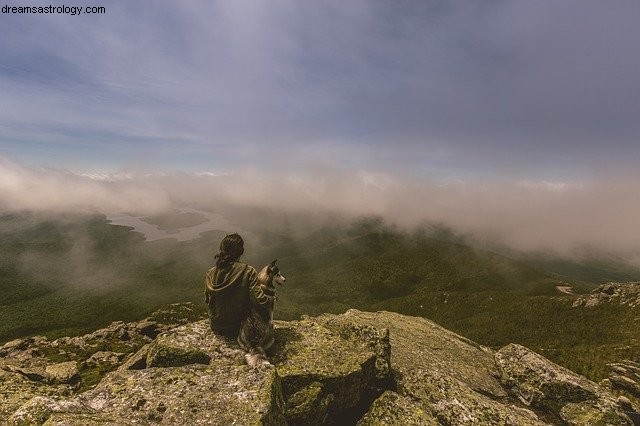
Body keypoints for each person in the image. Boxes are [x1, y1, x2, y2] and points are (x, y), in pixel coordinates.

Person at [204, 233, 273, 365]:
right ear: (241, 251)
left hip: (216, 325)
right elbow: (260, 302)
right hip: (238, 327)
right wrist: (271, 298)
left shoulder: (210, 273)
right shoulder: (248, 271)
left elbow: (208, 301)